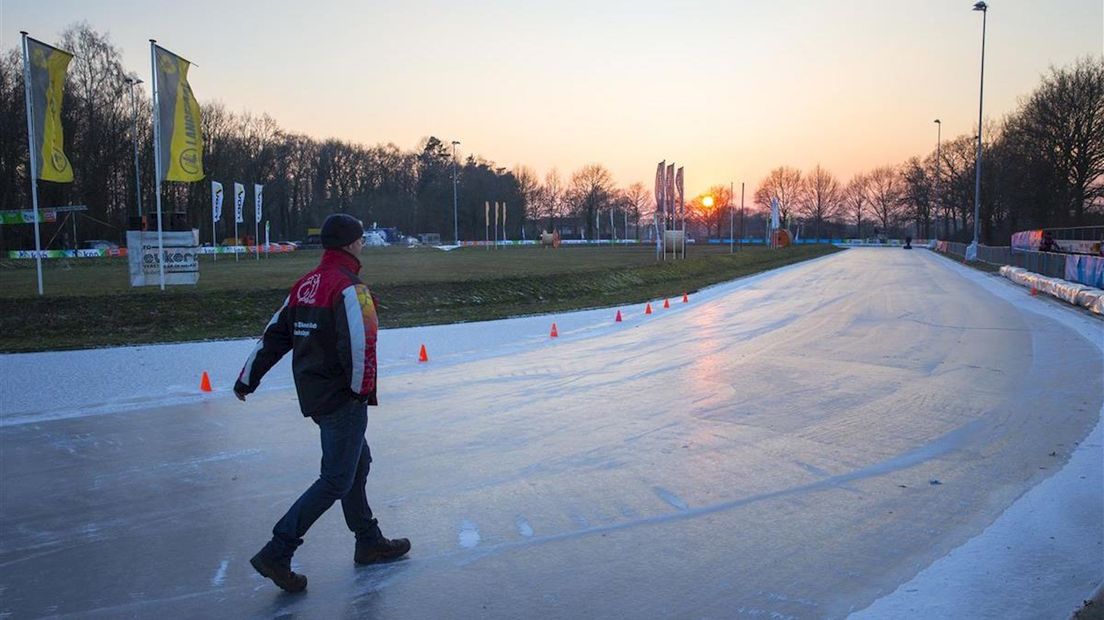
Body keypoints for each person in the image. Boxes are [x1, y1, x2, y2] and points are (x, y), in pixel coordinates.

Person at [234, 213, 410, 593]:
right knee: (335, 478)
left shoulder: (305, 285)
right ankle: (277, 551)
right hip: (342, 397)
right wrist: (361, 391)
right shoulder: (350, 288)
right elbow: (363, 344)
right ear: (350, 244)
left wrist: (248, 377)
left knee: (357, 462)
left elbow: (273, 336)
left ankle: (368, 539)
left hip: (315, 395)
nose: (363, 244)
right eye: (361, 239)